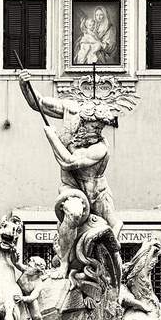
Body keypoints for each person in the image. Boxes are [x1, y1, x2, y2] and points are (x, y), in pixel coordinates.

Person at [18, 69, 123, 277]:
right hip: (72, 188)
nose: (96, 132)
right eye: (93, 126)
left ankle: (113, 278)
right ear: (82, 121)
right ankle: (64, 264)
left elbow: (69, 161)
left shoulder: (100, 147)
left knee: (113, 233)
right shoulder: (71, 111)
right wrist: (24, 85)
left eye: (100, 128)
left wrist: (52, 137)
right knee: (73, 213)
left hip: (98, 191)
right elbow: (37, 102)